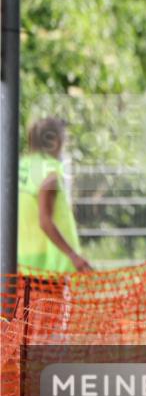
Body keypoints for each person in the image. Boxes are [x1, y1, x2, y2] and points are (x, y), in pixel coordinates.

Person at [5, 118, 92, 319]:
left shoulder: (20, 166)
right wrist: (73, 255)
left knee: (24, 330)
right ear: (54, 141)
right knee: (48, 332)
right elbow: (45, 221)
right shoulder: (48, 172)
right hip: (48, 270)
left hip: (20, 266)